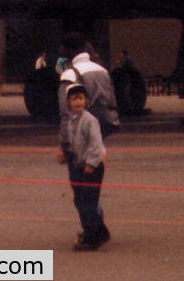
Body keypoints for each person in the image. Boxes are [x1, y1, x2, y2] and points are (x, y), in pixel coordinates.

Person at [60, 83, 109, 251]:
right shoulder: (70, 120)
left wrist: (90, 164)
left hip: (92, 167)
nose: (78, 102)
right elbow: (68, 141)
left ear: (86, 100)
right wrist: (64, 153)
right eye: (74, 99)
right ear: (68, 102)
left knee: (88, 201)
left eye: (80, 98)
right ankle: (97, 231)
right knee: (80, 200)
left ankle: (92, 237)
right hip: (77, 165)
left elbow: (96, 144)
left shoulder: (89, 120)